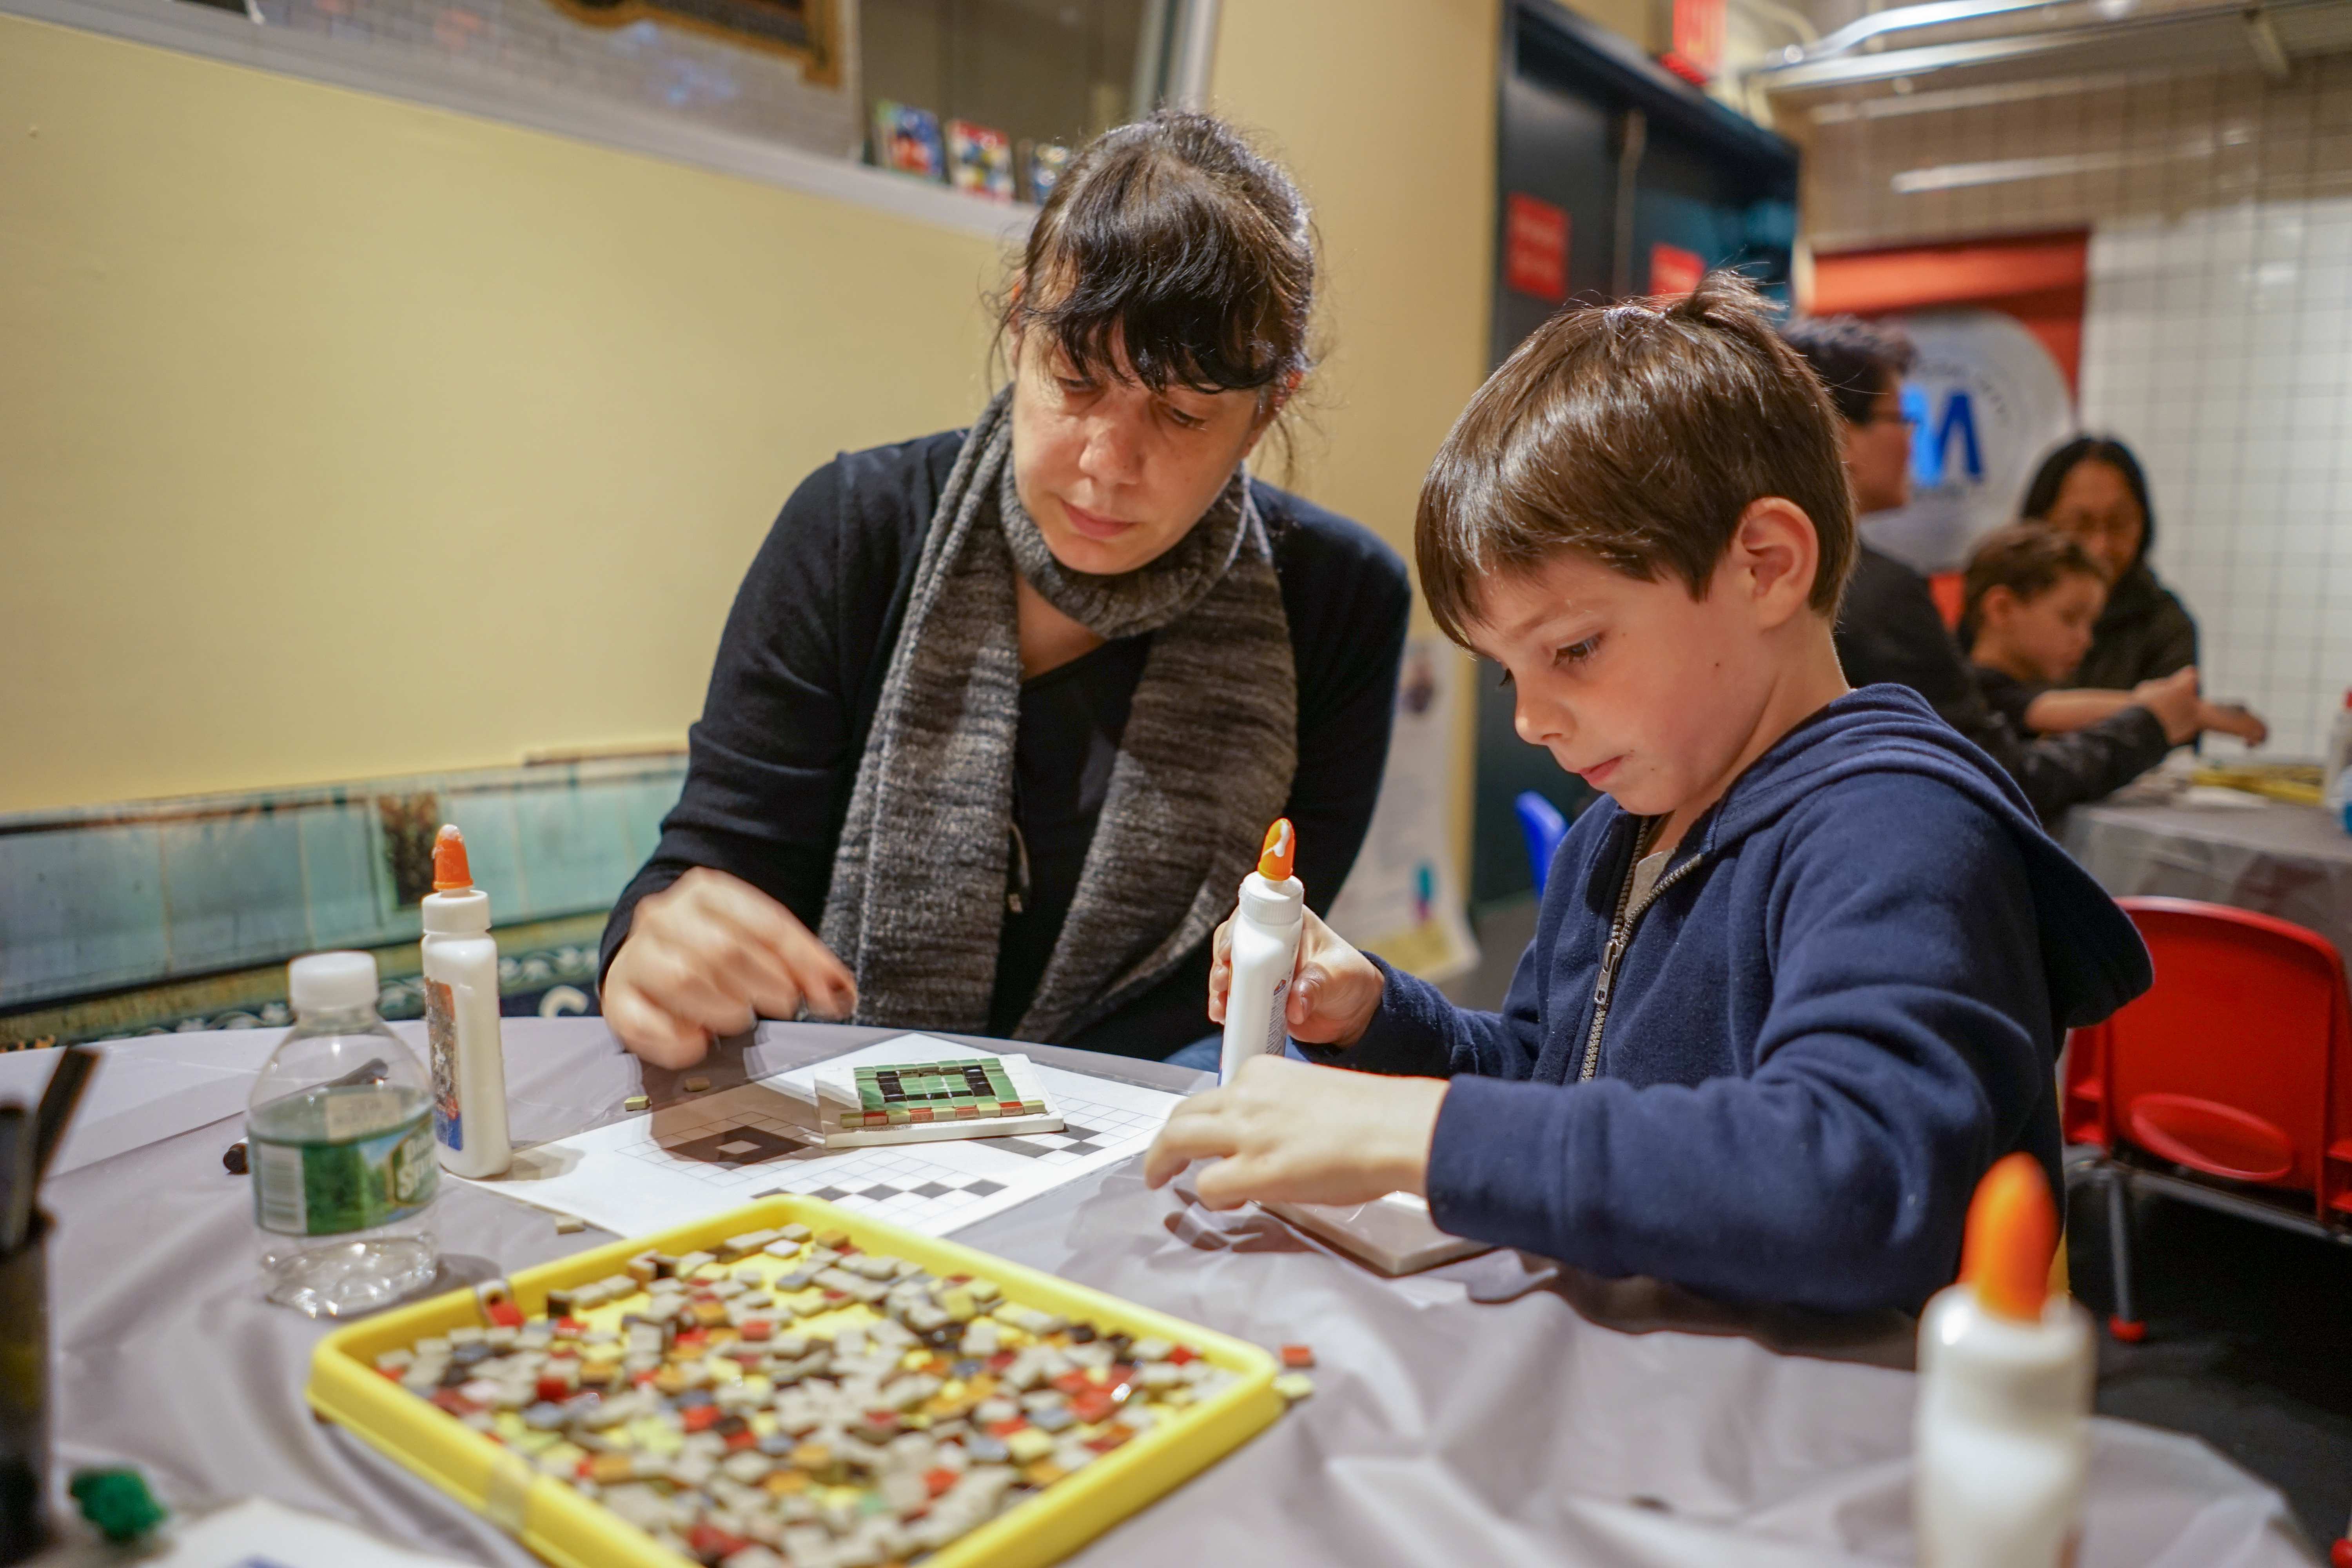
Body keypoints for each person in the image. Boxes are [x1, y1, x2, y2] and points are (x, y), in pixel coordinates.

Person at [1142, 278, 2152, 1316]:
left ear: (1764, 566)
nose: (1531, 719)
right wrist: (1378, 1017)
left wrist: (1415, 1137)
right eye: (1507, 671)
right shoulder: (1617, 835)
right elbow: (1547, 1078)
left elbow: (1857, 1180)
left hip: (1815, 1442)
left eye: (1574, 649)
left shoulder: (1900, 835)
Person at [598, 113, 1412, 1069]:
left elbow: (1245, 979)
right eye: (1074, 379)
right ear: (1021, 323)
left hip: (1134, 1152)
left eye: (1183, 414)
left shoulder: (1339, 602)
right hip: (841, 1123)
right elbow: (713, 869)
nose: (1107, 466)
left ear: (1267, 408)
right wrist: (653, 954)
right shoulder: (855, 528)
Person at [1780, 315, 2196, 823]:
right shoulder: (1874, 590)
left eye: (2120, 524)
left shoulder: (1750, 569)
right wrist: (2147, 725)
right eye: (1902, 417)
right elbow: (1996, 776)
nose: (1915, 441)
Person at [1960, 521, 2266, 748]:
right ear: (2002, 610)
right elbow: (2050, 710)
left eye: (2089, 623)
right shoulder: (1976, 687)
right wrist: (2178, 710)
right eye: (2070, 618)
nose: (2086, 639)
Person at [2021, 436, 2196, 690]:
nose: (2100, 547)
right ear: (2040, 523)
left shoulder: (2165, 625)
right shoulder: (2007, 606)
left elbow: (2174, 724)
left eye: (2118, 523)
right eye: (2081, 525)